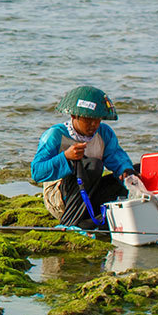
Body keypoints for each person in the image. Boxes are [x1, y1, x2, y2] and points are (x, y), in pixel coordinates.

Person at [30, 85, 139, 229]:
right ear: (74, 116)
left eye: (97, 120)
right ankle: (71, 222)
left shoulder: (104, 133)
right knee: (92, 165)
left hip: (90, 194)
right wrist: (66, 158)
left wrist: (125, 170)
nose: (93, 124)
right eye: (88, 120)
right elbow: (37, 172)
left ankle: (92, 220)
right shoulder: (55, 135)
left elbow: (116, 156)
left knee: (135, 172)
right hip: (61, 200)